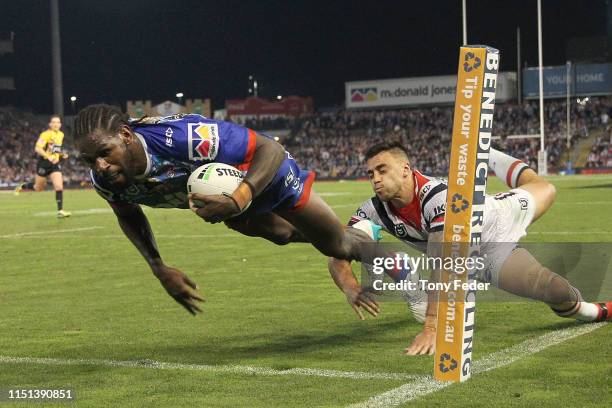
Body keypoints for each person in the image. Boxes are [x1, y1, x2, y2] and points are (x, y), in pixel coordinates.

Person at [73, 104, 382, 315]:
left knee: (339, 244)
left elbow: (269, 149)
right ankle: (343, 235)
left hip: (264, 172)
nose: (99, 166)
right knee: (282, 234)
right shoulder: (107, 181)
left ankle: (400, 261)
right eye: (89, 160)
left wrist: (238, 199)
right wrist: (158, 266)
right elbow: (128, 214)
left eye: (104, 153)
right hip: (226, 196)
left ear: (125, 136)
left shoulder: (184, 138)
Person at [327, 141, 612, 356]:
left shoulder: (437, 198)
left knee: (545, 188)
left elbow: (444, 262)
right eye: (370, 173)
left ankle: (487, 153)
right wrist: (350, 287)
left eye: (381, 169)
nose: (375, 178)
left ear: (405, 170)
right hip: (487, 257)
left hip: (498, 219)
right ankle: (595, 312)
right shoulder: (372, 210)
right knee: (556, 291)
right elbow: (340, 248)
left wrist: (432, 327)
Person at [15, 115, 71, 218]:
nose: (56, 124)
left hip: (54, 163)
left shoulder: (61, 135)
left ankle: (60, 210)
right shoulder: (45, 134)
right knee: (38, 188)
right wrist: (47, 157)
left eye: (58, 122)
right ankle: (22, 186)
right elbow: (38, 148)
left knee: (59, 186)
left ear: (60, 124)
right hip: (44, 164)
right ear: (50, 124)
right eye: (53, 122)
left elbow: (55, 149)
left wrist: (62, 155)